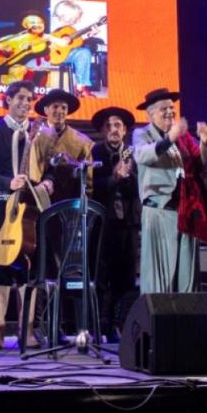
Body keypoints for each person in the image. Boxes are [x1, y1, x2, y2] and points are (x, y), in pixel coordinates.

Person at [0, 79, 45, 348]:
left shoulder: (37, 133)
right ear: (8, 100)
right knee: (1, 265)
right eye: (20, 98)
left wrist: (48, 181)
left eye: (29, 99)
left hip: (30, 209)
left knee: (29, 266)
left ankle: (26, 330)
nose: (25, 103)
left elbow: (47, 167)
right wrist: (8, 183)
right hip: (3, 204)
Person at [133, 88, 207, 294]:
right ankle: (159, 310)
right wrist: (169, 138)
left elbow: (203, 164)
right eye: (164, 109)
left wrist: (206, 142)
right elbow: (143, 156)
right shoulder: (142, 135)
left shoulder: (184, 138)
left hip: (186, 210)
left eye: (172, 107)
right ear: (150, 114)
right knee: (161, 274)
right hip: (160, 211)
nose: (170, 112)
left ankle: (187, 310)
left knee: (187, 273)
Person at [90, 106, 139, 340]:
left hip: (127, 224)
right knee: (100, 276)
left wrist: (128, 179)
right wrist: (114, 178)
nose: (113, 129)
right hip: (102, 224)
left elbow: (141, 187)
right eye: (108, 126)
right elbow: (92, 186)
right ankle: (99, 324)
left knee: (125, 276)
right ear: (102, 131)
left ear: (125, 130)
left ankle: (118, 324)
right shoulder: (94, 152)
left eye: (118, 125)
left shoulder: (134, 154)